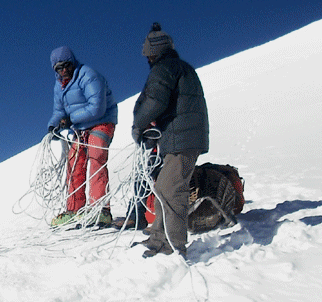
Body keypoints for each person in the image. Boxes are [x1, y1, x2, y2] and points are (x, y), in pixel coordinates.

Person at [131, 23, 209, 258]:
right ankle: (158, 238)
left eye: (147, 53)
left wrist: (139, 126)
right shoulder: (181, 68)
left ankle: (172, 245)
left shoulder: (164, 69)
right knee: (164, 187)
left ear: (154, 52)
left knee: (171, 190)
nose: (146, 58)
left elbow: (155, 101)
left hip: (182, 138)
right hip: (184, 136)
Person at [46, 46, 118, 227]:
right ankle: (73, 209)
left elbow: (97, 107)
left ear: (73, 62)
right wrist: (53, 126)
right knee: (74, 163)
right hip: (79, 128)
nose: (64, 71)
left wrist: (70, 119)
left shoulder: (88, 75)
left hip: (102, 122)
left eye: (66, 66)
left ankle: (100, 209)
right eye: (59, 68)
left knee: (96, 156)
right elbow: (59, 111)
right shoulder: (59, 85)